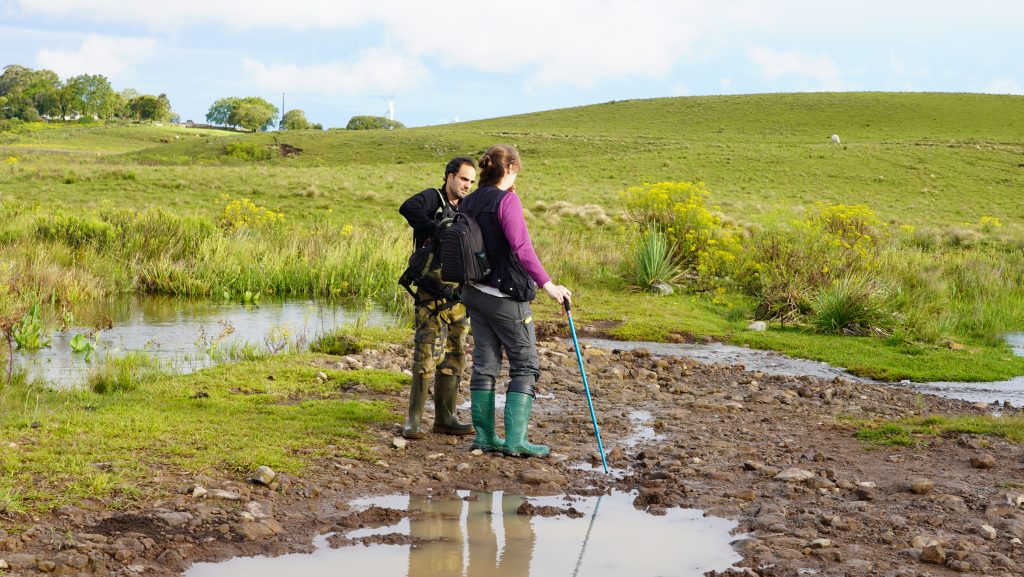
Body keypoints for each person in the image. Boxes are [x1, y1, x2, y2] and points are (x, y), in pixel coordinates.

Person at [459, 144, 572, 458]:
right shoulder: (506, 201)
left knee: (485, 364)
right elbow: (522, 249)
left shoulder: (469, 200)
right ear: (509, 169)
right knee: (525, 366)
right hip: (505, 297)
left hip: (474, 293)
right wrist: (549, 286)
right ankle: (515, 441)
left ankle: (484, 438)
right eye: (516, 171)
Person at [398, 157, 478, 439]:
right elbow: (406, 208)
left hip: (458, 296)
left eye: (471, 181)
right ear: (450, 176)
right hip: (430, 294)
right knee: (425, 353)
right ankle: (414, 421)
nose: (467, 185)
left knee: (455, 355)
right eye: (463, 179)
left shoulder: (469, 209)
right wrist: (437, 228)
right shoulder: (433, 198)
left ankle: (446, 418)